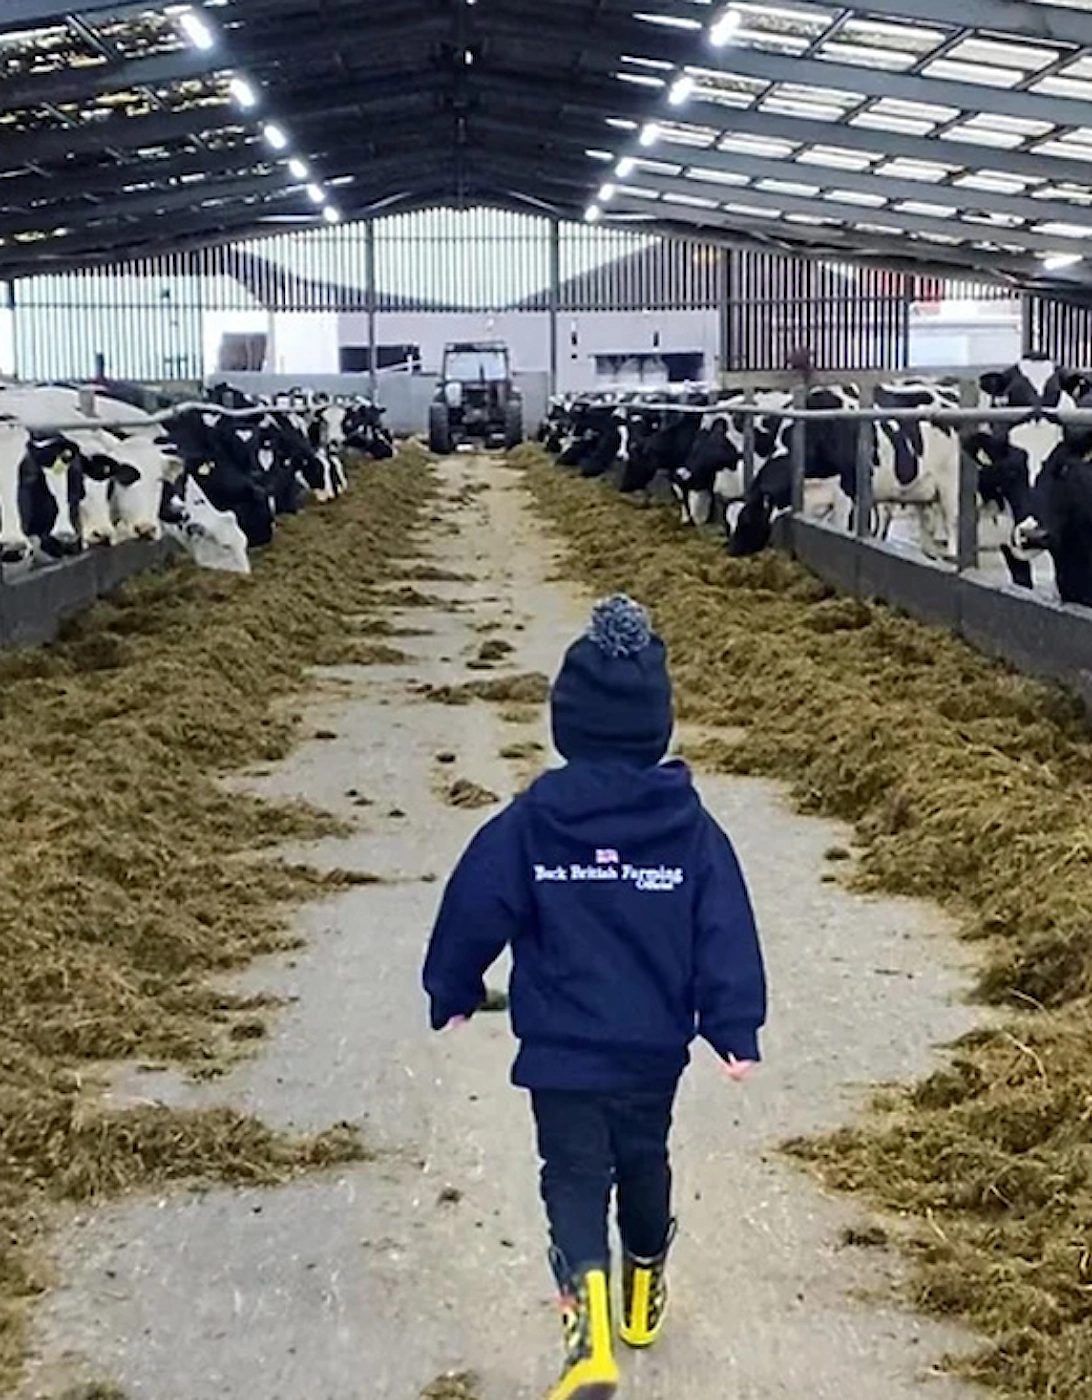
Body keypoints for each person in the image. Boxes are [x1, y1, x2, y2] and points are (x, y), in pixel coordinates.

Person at [422, 594, 767, 1400]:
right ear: (658, 727)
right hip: (651, 1051)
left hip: (562, 1052)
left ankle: (588, 1326)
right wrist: (733, 1025)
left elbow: (477, 903)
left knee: (572, 1177)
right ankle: (645, 1283)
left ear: (565, 724)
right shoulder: (689, 827)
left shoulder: (531, 822)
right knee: (644, 1163)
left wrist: (454, 987)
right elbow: (724, 925)